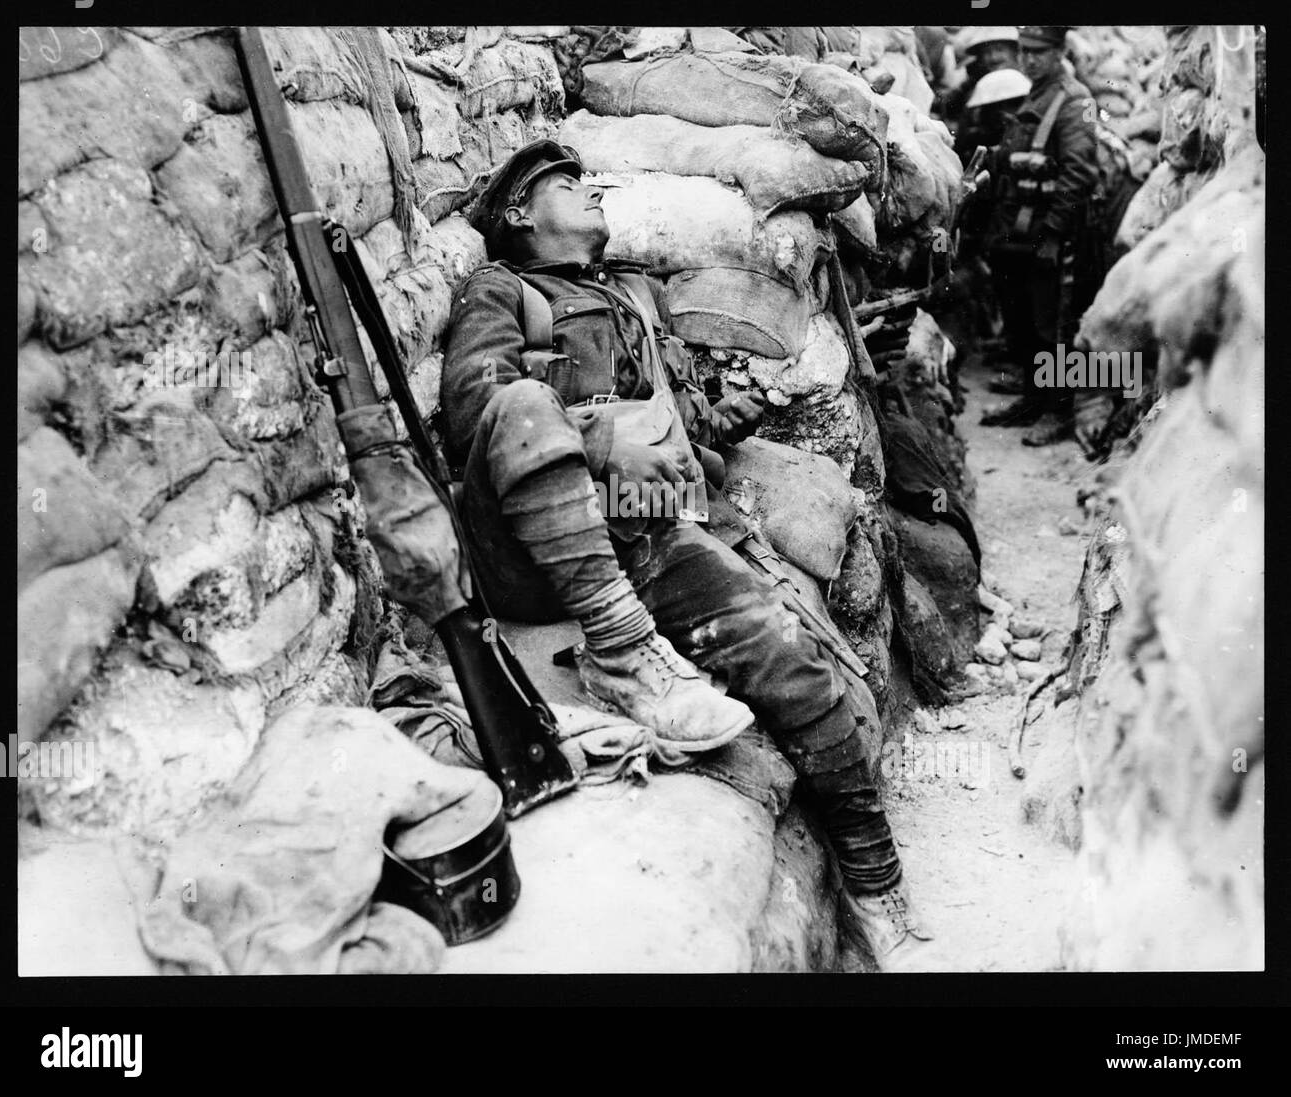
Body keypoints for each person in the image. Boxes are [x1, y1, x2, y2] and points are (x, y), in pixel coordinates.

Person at [441, 139, 934, 970]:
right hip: (529, 542)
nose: (591, 189)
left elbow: (674, 431)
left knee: (791, 654)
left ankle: (872, 871)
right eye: (568, 182)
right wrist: (598, 437)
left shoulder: (633, 296)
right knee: (525, 404)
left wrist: (724, 414)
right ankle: (621, 650)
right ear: (521, 212)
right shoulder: (505, 291)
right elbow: (474, 408)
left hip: (645, 531)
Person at [979, 25, 1100, 446]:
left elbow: (1079, 173)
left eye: (1039, 52)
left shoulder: (1074, 100)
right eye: (1024, 52)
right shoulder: (1036, 94)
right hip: (1017, 230)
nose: (1029, 60)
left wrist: (1052, 236)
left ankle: (1061, 409)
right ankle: (1033, 399)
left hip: (1053, 236)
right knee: (1022, 323)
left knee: (1055, 328)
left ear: (1060, 51)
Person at [937, 26, 1020, 132]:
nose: (993, 57)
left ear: (1015, 52)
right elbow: (951, 103)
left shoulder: (1028, 83)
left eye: (1000, 49)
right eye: (987, 52)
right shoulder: (974, 83)